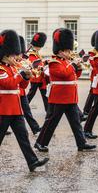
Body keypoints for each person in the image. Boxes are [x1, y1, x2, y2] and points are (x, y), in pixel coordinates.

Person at [35, 28, 96, 152]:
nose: (70, 53)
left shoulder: (66, 62)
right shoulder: (54, 63)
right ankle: (40, 143)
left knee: (76, 122)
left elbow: (73, 77)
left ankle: (81, 143)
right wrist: (73, 65)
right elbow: (64, 74)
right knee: (51, 122)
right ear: (61, 51)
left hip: (70, 97)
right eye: (68, 51)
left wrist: (78, 68)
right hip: (59, 98)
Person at [0, 29, 49, 172]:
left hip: (15, 108)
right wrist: (21, 74)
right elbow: (8, 83)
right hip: (3, 109)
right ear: (5, 54)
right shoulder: (1, 69)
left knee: (23, 136)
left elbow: (21, 85)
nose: (16, 57)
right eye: (13, 55)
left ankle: (32, 161)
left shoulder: (13, 68)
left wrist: (26, 76)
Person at [18, 36, 41, 135]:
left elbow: (23, 84)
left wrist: (27, 75)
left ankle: (35, 128)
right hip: (9, 94)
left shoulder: (20, 62)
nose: (20, 56)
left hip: (20, 92)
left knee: (27, 111)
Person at [26, 32, 49, 115]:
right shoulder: (31, 53)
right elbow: (33, 64)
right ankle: (23, 107)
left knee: (45, 95)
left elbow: (39, 62)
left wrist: (45, 62)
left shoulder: (36, 52)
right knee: (31, 95)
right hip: (35, 78)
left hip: (41, 78)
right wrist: (42, 66)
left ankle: (48, 111)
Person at [82, 32, 98, 118]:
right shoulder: (92, 53)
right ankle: (86, 110)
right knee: (92, 93)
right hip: (95, 76)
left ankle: (87, 110)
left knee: (93, 93)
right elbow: (93, 64)